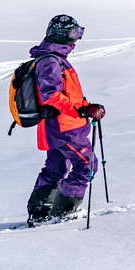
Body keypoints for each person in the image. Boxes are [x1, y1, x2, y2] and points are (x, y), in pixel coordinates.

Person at [25, 15, 105, 225]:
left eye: (79, 32)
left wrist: (86, 106)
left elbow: (67, 93)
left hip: (57, 127)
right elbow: (51, 94)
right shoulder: (50, 61)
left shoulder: (53, 59)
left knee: (56, 169)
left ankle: (40, 213)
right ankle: (64, 211)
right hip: (65, 127)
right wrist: (82, 111)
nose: (76, 38)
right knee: (86, 165)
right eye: (73, 33)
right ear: (60, 34)